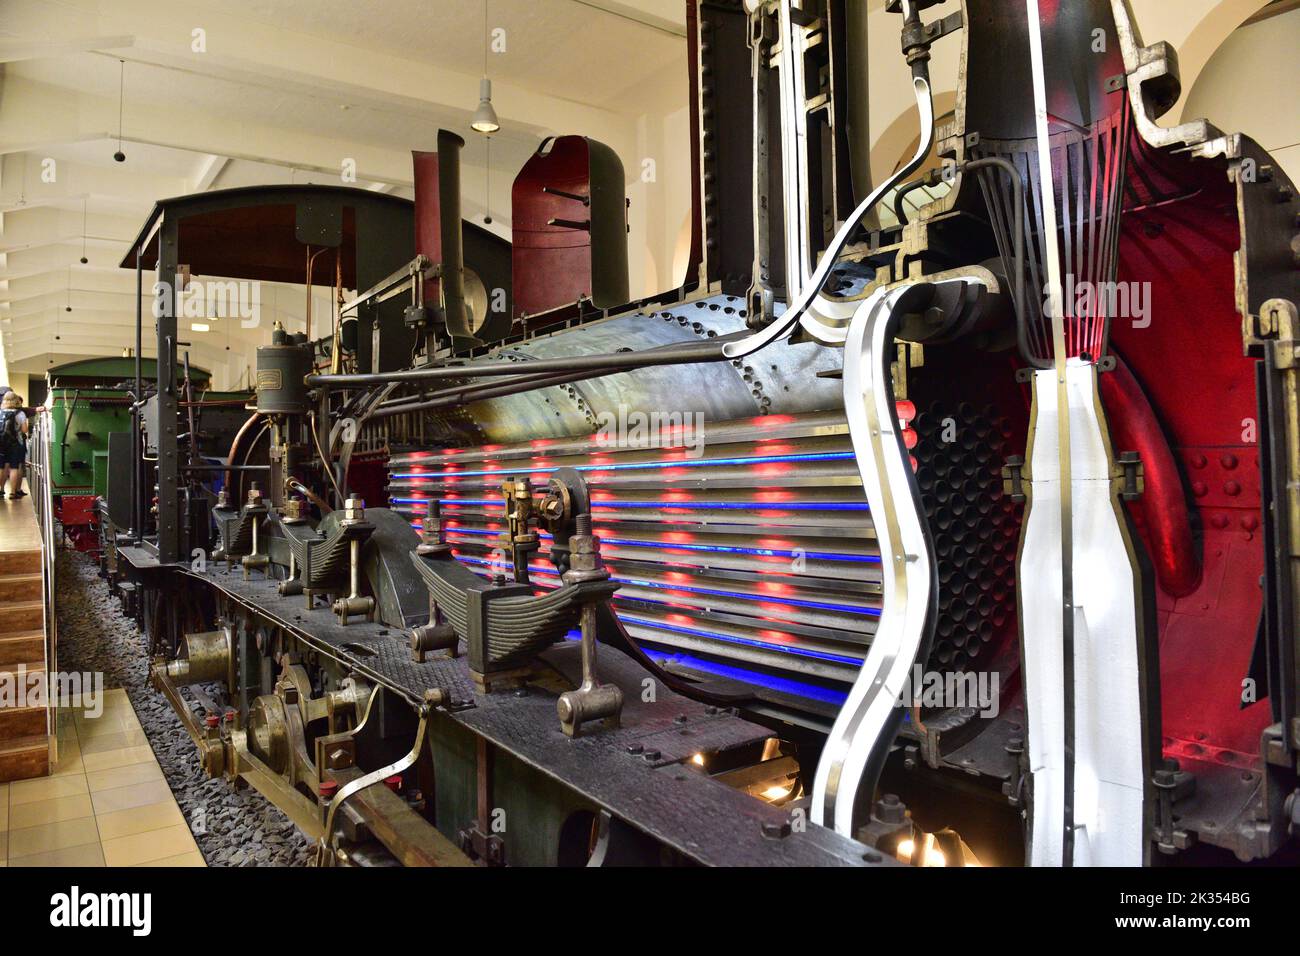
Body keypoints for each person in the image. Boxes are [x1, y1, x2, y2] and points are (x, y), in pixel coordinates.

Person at [0, 391, 30, 499]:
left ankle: (1, 490)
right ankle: (13, 492)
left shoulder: (0, 412)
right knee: (14, 468)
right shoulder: (20, 413)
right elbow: (24, 430)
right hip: (15, 444)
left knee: (2, 467)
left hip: (2, 444)